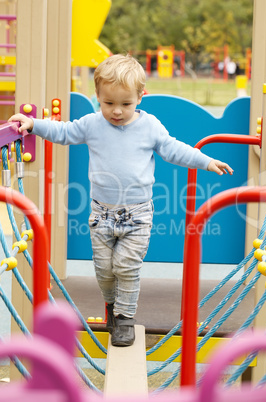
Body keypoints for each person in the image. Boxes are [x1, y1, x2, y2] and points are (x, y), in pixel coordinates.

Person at [8, 54, 233, 347]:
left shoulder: (150, 126)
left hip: (138, 214)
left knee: (126, 266)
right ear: (98, 97)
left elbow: (173, 149)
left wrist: (205, 161)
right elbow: (62, 132)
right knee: (103, 270)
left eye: (125, 104)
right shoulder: (91, 124)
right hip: (101, 213)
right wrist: (33, 123)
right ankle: (113, 306)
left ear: (141, 96)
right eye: (108, 104)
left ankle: (125, 317)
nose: (116, 112)